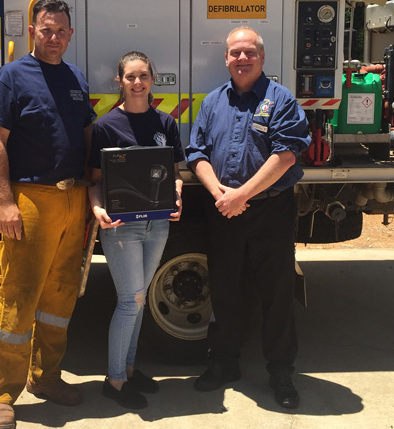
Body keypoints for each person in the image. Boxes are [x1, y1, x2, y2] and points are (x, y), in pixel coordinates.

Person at [0, 0, 97, 429]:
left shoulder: (75, 77)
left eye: (61, 30)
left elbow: (86, 131)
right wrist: (4, 201)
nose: (54, 37)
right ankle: (0, 396)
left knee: (61, 295)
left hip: (73, 198)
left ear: (70, 33)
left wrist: (91, 186)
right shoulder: (12, 76)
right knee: (20, 294)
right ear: (33, 30)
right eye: (46, 30)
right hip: (31, 199)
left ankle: (45, 378)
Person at [185, 26, 311, 409]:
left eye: (249, 52)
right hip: (223, 209)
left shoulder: (282, 100)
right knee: (224, 289)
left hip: (270, 211)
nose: (242, 58)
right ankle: (225, 363)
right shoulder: (211, 103)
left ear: (261, 57)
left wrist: (242, 194)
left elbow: (285, 155)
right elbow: (196, 153)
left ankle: (280, 371)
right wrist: (220, 193)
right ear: (225, 58)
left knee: (276, 292)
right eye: (235, 53)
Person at [88, 51, 183, 409]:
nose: (137, 82)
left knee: (140, 301)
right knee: (131, 301)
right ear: (120, 81)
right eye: (130, 77)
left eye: (143, 75)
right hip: (121, 228)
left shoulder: (165, 124)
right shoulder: (106, 126)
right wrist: (97, 208)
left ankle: (128, 369)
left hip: (157, 224)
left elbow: (174, 175)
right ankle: (114, 381)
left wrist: (177, 197)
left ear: (152, 79)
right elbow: (95, 182)